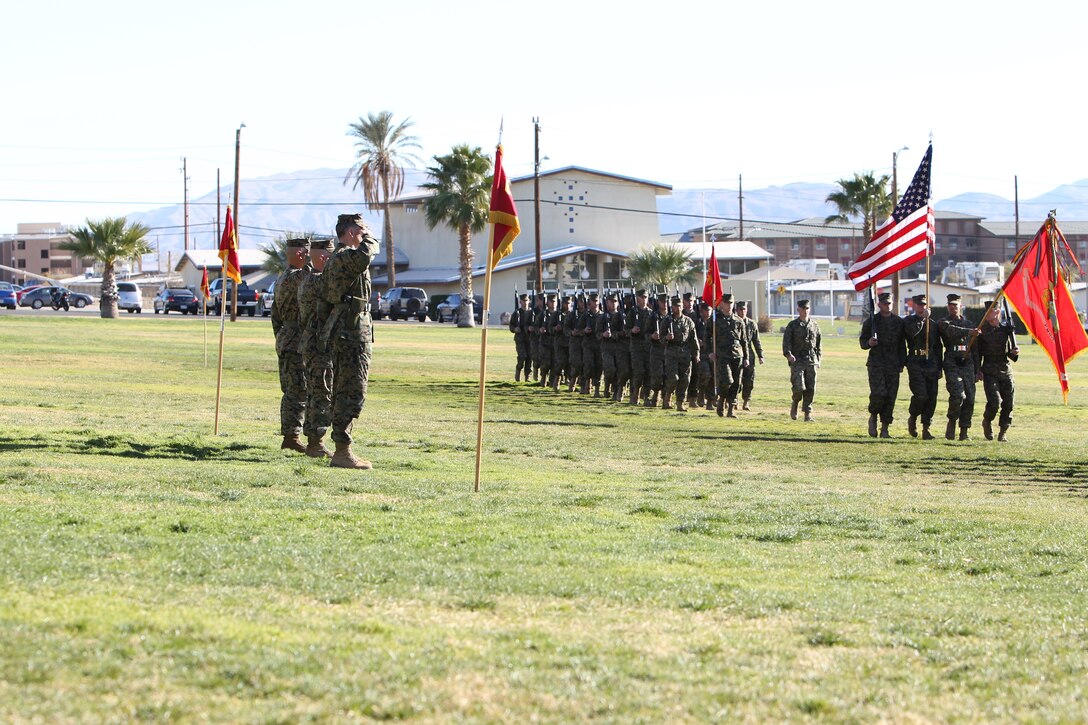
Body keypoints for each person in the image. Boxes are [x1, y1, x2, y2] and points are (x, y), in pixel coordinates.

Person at [321, 214, 380, 469]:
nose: (363, 233)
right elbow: (365, 256)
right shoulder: (346, 255)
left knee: (347, 388)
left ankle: (342, 449)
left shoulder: (343, 257)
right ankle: (342, 451)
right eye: (360, 229)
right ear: (350, 231)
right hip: (349, 332)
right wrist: (369, 238)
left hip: (351, 329)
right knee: (351, 390)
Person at [271, 238, 311, 454]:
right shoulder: (299, 277)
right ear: (300, 254)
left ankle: (291, 435)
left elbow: (275, 317)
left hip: (286, 337)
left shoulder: (280, 279)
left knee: (291, 389)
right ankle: (292, 436)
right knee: (298, 390)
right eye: (307, 253)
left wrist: (281, 336)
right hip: (296, 340)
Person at [298, 238, 335, 457]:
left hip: (311, 342)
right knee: (321, 392)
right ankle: (316, 442)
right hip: (318, 345)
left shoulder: (308, 280)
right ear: (323, 257)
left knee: (315, 392)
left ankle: (313, 439)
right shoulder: (319, 282)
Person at [859, 292, 907, 438]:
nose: (887, 305)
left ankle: (885, 428)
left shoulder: (899, 322)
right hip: (876, 364)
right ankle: (873, 416)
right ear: (879, 304)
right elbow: (862, 342)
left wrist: (902, 363)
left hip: (893, 364)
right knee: (879, 393)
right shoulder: (871, 321)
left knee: (891, 397)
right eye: (885, 303)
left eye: (889, 303)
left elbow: (902, 345)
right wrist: (869, 343)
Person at [937, 293, 979, 441]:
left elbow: (975, 349)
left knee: (970, 398)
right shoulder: (943, 322)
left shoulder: (970, 324)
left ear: (960, 306)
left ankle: (964, 430)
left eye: (955, 305)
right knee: (958, 395)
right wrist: (969, 332)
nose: (953, 307)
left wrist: (977, 369)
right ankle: (952, 421)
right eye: (950, 305)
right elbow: (949, 330)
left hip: (967, 362)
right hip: (952, 362)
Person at [902, 294, 943, 439]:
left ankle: (926, 428)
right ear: (914, 306)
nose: (922, 307)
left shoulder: (933, 324)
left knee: (932, 397)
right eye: (919, 305)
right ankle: (913, 417)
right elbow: (911, 334)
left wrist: (940, 367)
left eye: (924, 305)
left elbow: (938, 347)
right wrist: (921, 320)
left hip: (931, 363)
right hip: (915, 362)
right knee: (921, 395)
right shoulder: (908, 321)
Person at [976, 303, 1019, 441]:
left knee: (1008, 402)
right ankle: (987, 421)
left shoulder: (1006, 329)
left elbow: (1012, 356)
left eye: (991, 311)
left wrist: (1015, 352)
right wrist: (978, 370)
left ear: (997, 312)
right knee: (994, 401)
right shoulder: (982, 330)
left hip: (1005, 370)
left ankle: (1003, 431)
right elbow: (977, 353)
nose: (987, 314)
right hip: (989, 370)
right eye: (986, 311)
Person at [782, 299, 821, 421]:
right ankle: (795, 403)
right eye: (803, 308)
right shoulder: (792, 325)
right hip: (797, 360)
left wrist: (818, 359)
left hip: (811, 360)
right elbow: (786, 342)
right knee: (799, 387)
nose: (805, 311)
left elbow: (818, 345)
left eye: (807, 308)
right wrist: (788, 355)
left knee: (811, 387)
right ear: (798, 309)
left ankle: (807, 414)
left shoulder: (814, 326)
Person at [710, 293, 748, 418]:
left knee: (736, 383)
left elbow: (744, 341)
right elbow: (707, 336)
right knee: (727, 381)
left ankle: (731, 408)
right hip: (722, 354)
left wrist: (746, 357)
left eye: (731, 303)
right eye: (727, 303)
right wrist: (710, 352)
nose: (729, 305)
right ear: (721, 304)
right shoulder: (715, 319)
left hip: (737, 355)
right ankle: (721, 398)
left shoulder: (738, 320)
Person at [663, 295, 700, 411]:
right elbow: (660, 340)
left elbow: (693, 339)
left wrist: (696, 353)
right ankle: (668, 396)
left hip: (685, 353)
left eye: (679, 306)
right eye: (675, 306)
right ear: (672, 307)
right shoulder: (666, 321)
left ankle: (680, 403)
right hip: (671, 352)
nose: (678, 308)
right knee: (674, 378)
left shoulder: (688, 321)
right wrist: (666, 338)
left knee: (685, 379)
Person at [626, 289, 653, 405]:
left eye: (645, 297)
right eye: (642, 297)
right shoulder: (632, 313)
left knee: (649, 371)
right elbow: (625, 329)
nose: (644, 299)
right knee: (638, 371)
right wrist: (632, 330)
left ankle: (646, 395)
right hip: (636, 346)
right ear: (637, 298)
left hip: (649, 346)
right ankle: (635, 393)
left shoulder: (651, 313)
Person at [737, 301, 764, 411]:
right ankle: (734, 399)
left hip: (749, 356)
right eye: (740, 309)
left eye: (744, 309)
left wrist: (760, 355)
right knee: (736, 379)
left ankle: (746, 401)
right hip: (736, 354)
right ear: (736, 310)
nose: (742, 311)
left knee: (749, 380)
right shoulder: (734, 322)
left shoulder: (751, 324)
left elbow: (756, 341)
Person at [646, 292, 670, 406]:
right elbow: (645, 333)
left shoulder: (672, 316)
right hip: (656, 349)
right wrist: (652, 336)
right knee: (657, 374)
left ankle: (666, 398)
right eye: (662, 301)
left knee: (669, 375)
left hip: (669, 350)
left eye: (666, 301)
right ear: (658, 302)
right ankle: (656, 394)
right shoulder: (653, 316)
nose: (665, 304)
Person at [580, 292, 604, 396]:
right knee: (589, 365)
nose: (595, 303)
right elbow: (578, 329)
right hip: (588, 344)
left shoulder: (603, 315)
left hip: (599, 344)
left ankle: (597, 388)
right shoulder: (585, 315)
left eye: (596, 301)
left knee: (599, 366)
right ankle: (586, 384)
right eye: (593, 301)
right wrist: (584, 330)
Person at [509, 293, 531, 381]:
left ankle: (527, 376)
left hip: (529, 339)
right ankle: (518, 371)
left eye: (526, 301)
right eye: (523, 301)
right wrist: (515, 329)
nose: (525, 303)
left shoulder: (531, 313)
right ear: (520, 302)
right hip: (520, 339)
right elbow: (511, 325)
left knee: (529, 357)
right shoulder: (517, 313)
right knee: (522, 356)